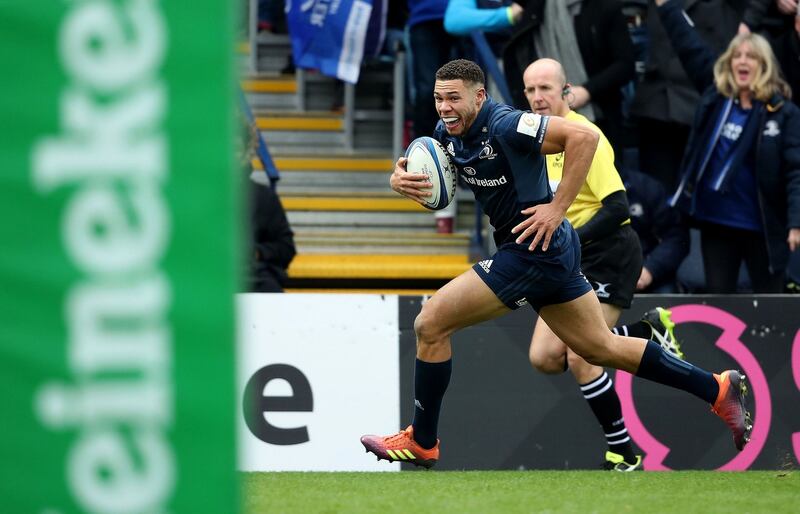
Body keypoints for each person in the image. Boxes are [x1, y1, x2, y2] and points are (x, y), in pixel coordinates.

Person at [360, 59, 752, 469]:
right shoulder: (448, 132)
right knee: (599, 347)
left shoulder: (507, 124)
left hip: (531, 250)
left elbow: (584, 137)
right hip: (547, 250)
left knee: (430, 323)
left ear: (480, 96)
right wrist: (399, 180)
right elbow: (434, 178)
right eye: (439, 98)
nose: (444, 107)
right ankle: (717, 388)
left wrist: (557, 207)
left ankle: (422, 440)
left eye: (454, 98)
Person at [521, 58, 682, 471]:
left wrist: (567, 238)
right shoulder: (535, 143)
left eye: (546, 88)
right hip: (567, 257)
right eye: (530, 90)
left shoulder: (584, 135)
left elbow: (617, 208)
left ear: (566, 92)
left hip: (607, 251)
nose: (538, 97)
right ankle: (644, 332)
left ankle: (622, 452)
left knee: (582, 354)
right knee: (543, 357)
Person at [657, 0, 800, 293]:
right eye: (737, 56)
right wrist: (667, 6)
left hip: (763, 227)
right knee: (719, 303)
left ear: (764, 65)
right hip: (717, 224)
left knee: (770, 304)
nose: (743, 61)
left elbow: (796, 172)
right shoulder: (716, 97)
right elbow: (690, 46)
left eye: (751, 56)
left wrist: (796, 222)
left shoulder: (783, 112)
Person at [500, 0, 636, 162]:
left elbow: (625, 64)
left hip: (600, 114)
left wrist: (587, 91)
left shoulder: (604, 7)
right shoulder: (535, 7)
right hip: (543, 126)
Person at [622, 167, 690, 293]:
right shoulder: (583, 191)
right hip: (593, 275)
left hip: (647, 272)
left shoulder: (645, 187)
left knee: (668, 294)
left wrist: (650, 269)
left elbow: (676, 238)